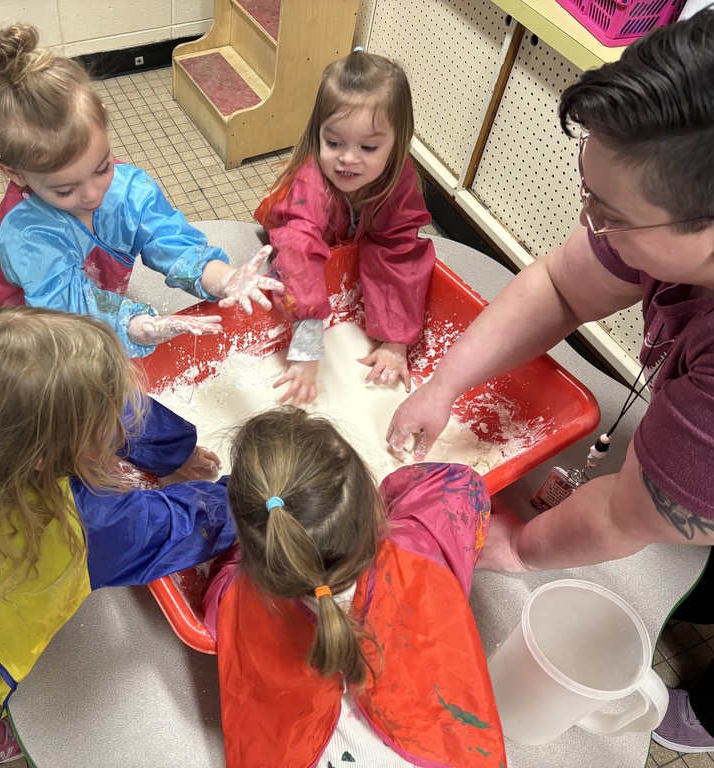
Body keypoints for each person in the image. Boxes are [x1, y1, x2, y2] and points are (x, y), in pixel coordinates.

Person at [386, 9, 714, 753]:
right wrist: (444, 386)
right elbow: (563, 287)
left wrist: (523, 548)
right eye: (589, 191)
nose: (587, 221)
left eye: (613, 213)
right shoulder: (660, 204)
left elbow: (633, 519)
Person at [0, 307, 237, 768]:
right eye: (105, 423)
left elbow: (94, 403)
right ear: (56, 451)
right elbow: (180, 526)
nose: (122, 423)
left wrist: (173, 450)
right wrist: (248, 495)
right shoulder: (84, 526)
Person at [200, 408, 504, 768]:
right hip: (447, 753)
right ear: (369, 509)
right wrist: (388, 493)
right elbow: (459, 485)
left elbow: (221, 583)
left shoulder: (237, 594)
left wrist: (242, 550)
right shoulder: (416, 542)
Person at [0, 23, 281, 357]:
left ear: (103, 123)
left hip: (89, 301)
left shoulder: (127, 188)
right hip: (25, 327)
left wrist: (221, 277)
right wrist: (137, 325)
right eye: (64, 190)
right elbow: (69, 311)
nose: (92, 195)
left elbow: (168, 238)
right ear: (15, 174)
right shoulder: (25, 236)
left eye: (102, 167)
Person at [254, 49, 436, 405]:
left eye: (368, 146)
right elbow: (297, 252)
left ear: (398, 142)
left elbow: (399, 253)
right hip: (300, 234)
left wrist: (395, 342)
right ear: (317, 133)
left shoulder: (399, 182)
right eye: (333, 142)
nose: (348, 158)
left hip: (349, 235)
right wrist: (306, 345)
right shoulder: (311, 182)